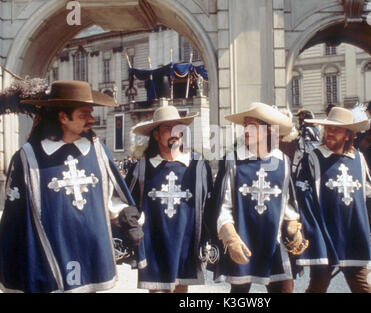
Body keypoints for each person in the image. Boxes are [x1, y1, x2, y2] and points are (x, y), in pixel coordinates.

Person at [0, 80, 144, 293]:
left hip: (90, 255)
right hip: (49, 258)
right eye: (84, 114)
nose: (92, 119)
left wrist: (130, 223)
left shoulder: (97, 150)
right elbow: (15, 220)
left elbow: (113, 198)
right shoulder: (29, 157)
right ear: (63, 117)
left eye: (91, 112)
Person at [293, 107, 371, 293]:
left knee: (364, 288)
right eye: (328, 129)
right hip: (326, 235)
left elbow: (367, 197)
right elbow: (303, 197)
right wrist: (306, 230)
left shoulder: (359, 159)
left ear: (349, 135)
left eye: (336, 130)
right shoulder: (313, 159)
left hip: (354, 235)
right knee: (317, 288)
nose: (329, 133)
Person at [211, 102, 308, 293]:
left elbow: (286, 201)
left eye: (252, 126)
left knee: (284, 289)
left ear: (267, 131)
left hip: (275, 241)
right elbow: (223, 205)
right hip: (242, 238)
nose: (246, 130)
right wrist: (230, 237)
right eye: (245, 125)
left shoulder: (283, 162)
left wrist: (291, 223)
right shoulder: (232, 160)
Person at [126, 105, 214, 293]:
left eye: (177, 128)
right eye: (167, 128)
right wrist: (134, 229)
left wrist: (208, 239)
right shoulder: (142, 168)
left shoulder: (198, 166)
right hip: (153, 243)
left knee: (181, 290)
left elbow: (209, 204)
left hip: (186, 241)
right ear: (156, 135)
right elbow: (126, 202)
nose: (174, 133)